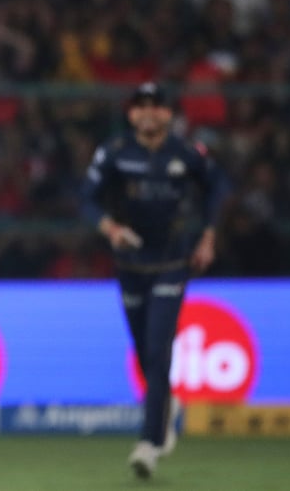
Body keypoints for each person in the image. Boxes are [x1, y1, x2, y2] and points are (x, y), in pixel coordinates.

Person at [79, 82, 228, 480]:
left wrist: (208, 236)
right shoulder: (115, 152)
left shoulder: (186, 153)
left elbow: (217, 187)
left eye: (156, 106)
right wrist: (110, 228)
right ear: (131, 114)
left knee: (158, 348)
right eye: (141, 105)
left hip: (172, 260)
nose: (148, 112)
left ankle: (149, 442)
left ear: (168, 114)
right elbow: (87, 198)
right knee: (143, 350)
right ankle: (165, 406)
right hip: (129, 262)